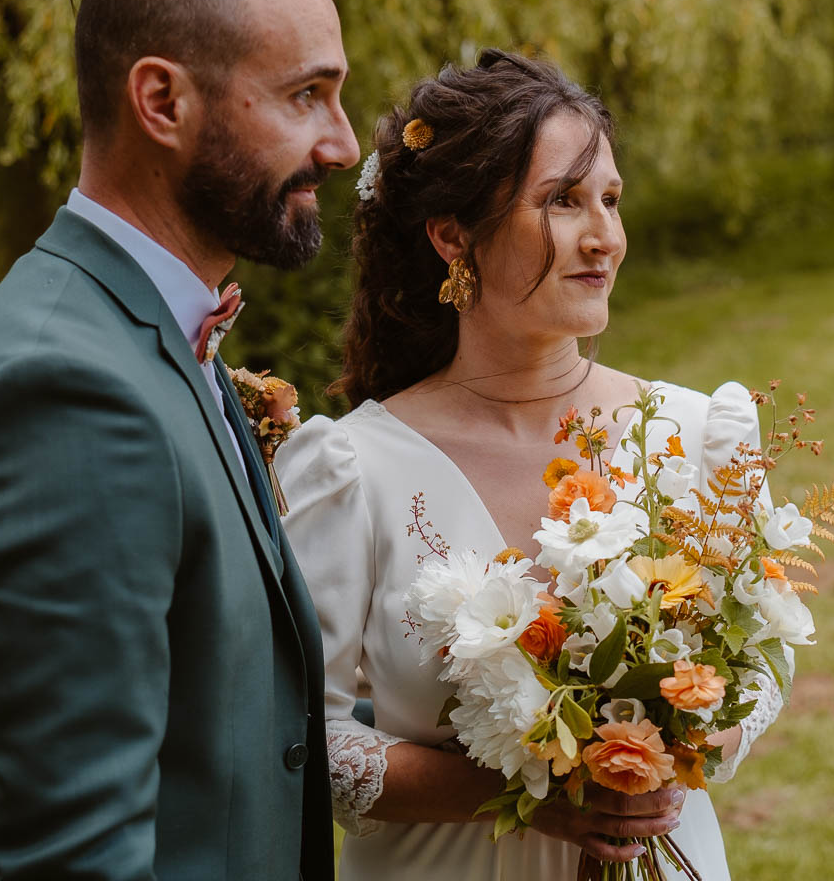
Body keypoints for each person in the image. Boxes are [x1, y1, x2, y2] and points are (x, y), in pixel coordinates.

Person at [0, 0, 359, 878]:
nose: (343, 144)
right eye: (305, 96)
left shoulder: (147, 327)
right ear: (161, 102)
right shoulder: (63, 394)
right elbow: (71, 855)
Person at [275, 50, 784, 881]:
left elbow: (761, 663)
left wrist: (673, 749)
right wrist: (529, 793)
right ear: (452, 235)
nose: (604, 237)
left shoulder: (697, 436)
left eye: (611, 199)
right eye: (562, 201)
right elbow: (307, 741)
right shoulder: (352, 469)